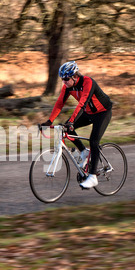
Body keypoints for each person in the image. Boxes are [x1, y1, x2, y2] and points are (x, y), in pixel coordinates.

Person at [40, 61, 113, 189]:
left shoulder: (88, 82)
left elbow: (82, 103)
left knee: (94, 141)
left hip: (103, 113)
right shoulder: (68, 87)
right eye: (62, 79)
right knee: (65, 129)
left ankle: (92, 177)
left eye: (66, 79)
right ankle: (84, 152)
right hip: (89, 113)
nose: (64, 82)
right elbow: (59, 104)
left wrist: (72, 121)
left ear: (74, 76)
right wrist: (49, 121)